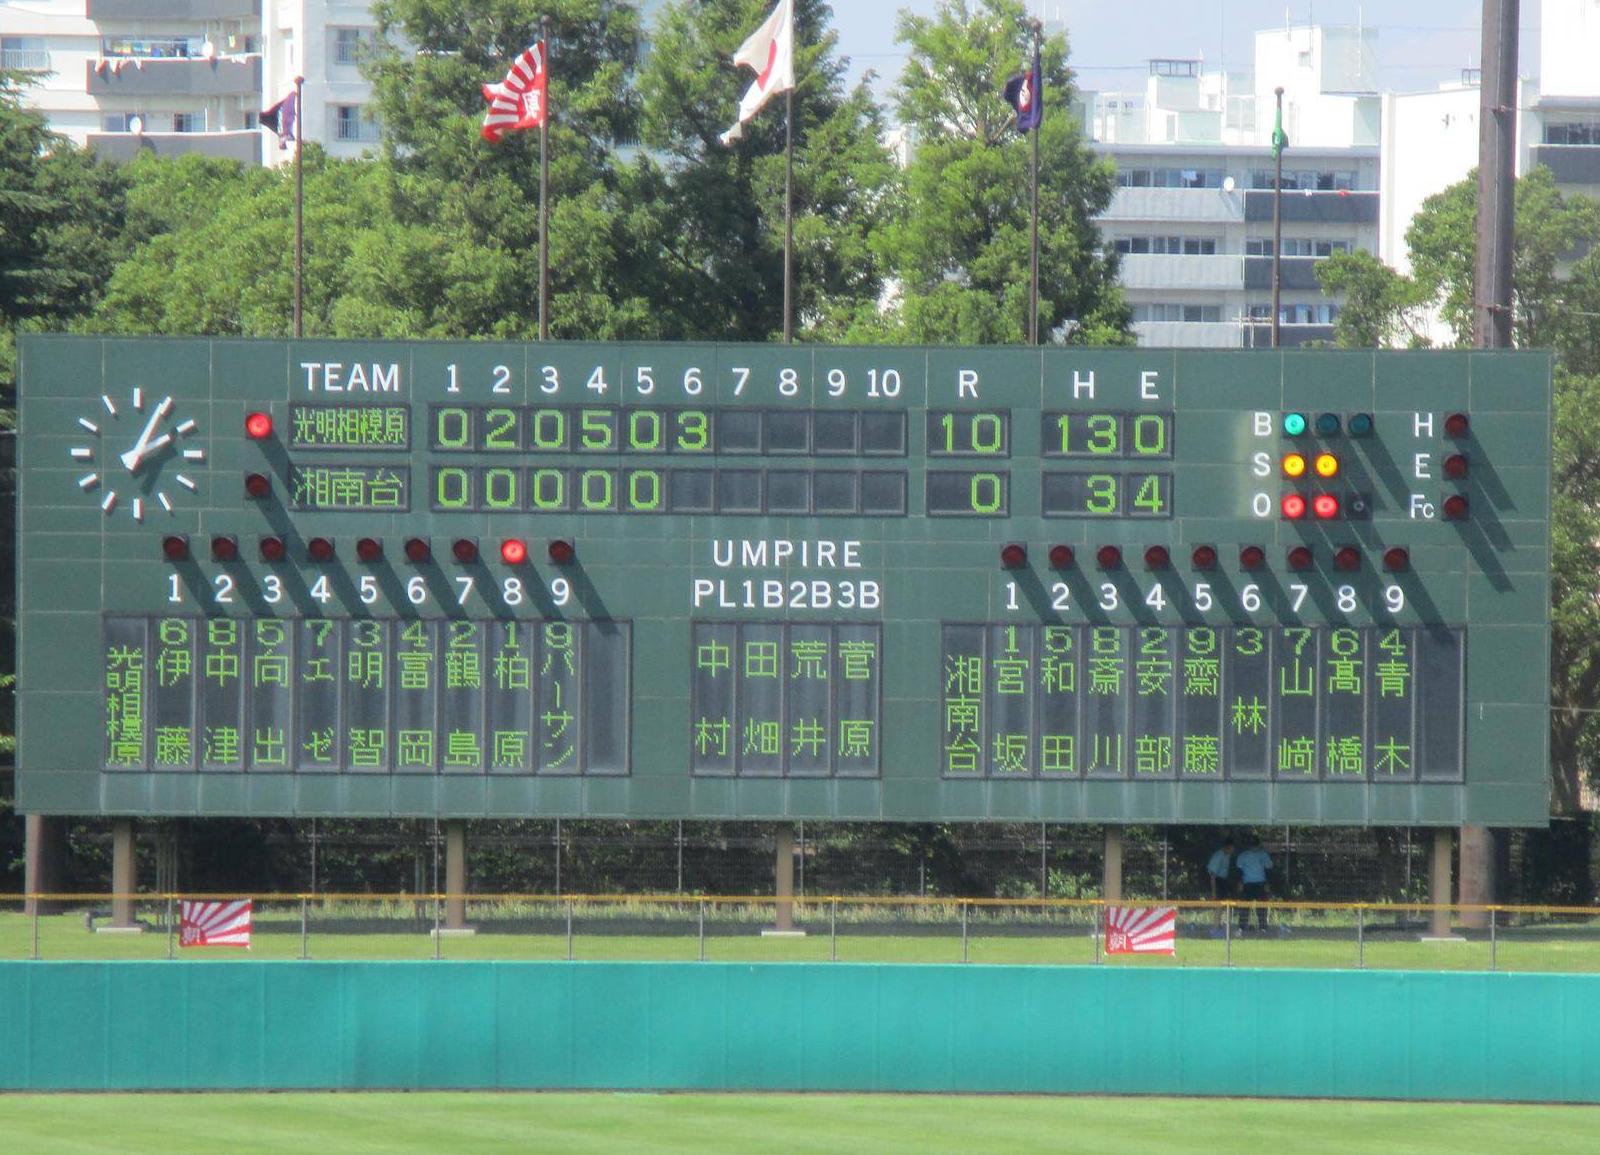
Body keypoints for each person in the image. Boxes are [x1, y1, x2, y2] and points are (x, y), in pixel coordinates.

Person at [1234, 839, 1273, 932]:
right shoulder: (1263, 854)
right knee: (1261, 907)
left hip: (1247, 884)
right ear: (1258, 845)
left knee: (1245, 907)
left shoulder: (1243, 855)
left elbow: (1238, 868)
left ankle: (1242, 927)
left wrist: (1240, 882)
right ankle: (1263, 927)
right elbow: (1269, 866)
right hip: (1260, 884)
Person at [1205, 837, 1235, 925]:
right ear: (1228, 847)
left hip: (1223, 881)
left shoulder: (1227, 855)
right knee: (1219, 904)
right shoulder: (1219, 856)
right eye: (1232, 848)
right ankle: (1216, 925)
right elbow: (1213, 876)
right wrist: (1214, 892)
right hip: (1216, 881)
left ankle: (1222, 924)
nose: (1233, 850)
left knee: (1224, 904)